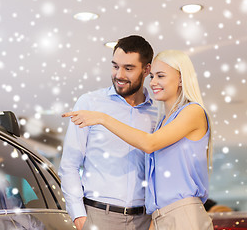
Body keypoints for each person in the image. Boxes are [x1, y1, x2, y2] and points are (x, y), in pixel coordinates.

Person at [63, 50, 214, 230]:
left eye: (161, 76)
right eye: (152, 76)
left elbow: (149, 144)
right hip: (159, 216)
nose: (154, 82)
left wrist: (103, 118)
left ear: (181, 79)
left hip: (183, 215)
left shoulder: (193, 112)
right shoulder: (162, 123)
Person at [58, 35, 158, 230]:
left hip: (144, 220)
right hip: (97, 217)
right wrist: (79, 217)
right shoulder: (90, 104)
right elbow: (69, 165)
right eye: (115, 66)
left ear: (146, 70)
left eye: (128, 68)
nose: (119, 75)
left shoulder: (157, 112)